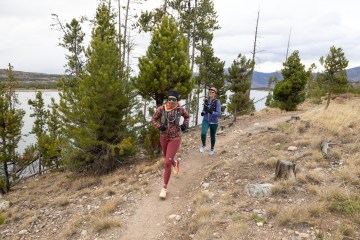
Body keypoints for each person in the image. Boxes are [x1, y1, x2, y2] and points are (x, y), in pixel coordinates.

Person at [151, 90, 190, 199]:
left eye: (174, 99)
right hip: (163, 138)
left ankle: (164, 188)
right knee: (168, 158)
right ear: (167, 99)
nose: (172, 101)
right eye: (170, 99)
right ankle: (175, 162)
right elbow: (153, 119)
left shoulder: (180, 110)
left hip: (175, 138)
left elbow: (187, 117)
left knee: (167, 163)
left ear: (177, 100)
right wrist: (159, 127)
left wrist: (185, 125)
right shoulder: (161, 109)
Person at [199, 86, 221, 156]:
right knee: (203, 133)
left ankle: (212, 149)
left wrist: (212, 112)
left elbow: (218, 113)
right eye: (210, 91)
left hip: (214, 122)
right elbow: (204, 109)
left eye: (212, 91)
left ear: (215, 94)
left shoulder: (217, 102)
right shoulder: (206, 100)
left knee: (212, 136)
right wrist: (203, 112)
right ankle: (203, 145)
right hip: (206, 120)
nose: (210, 92)